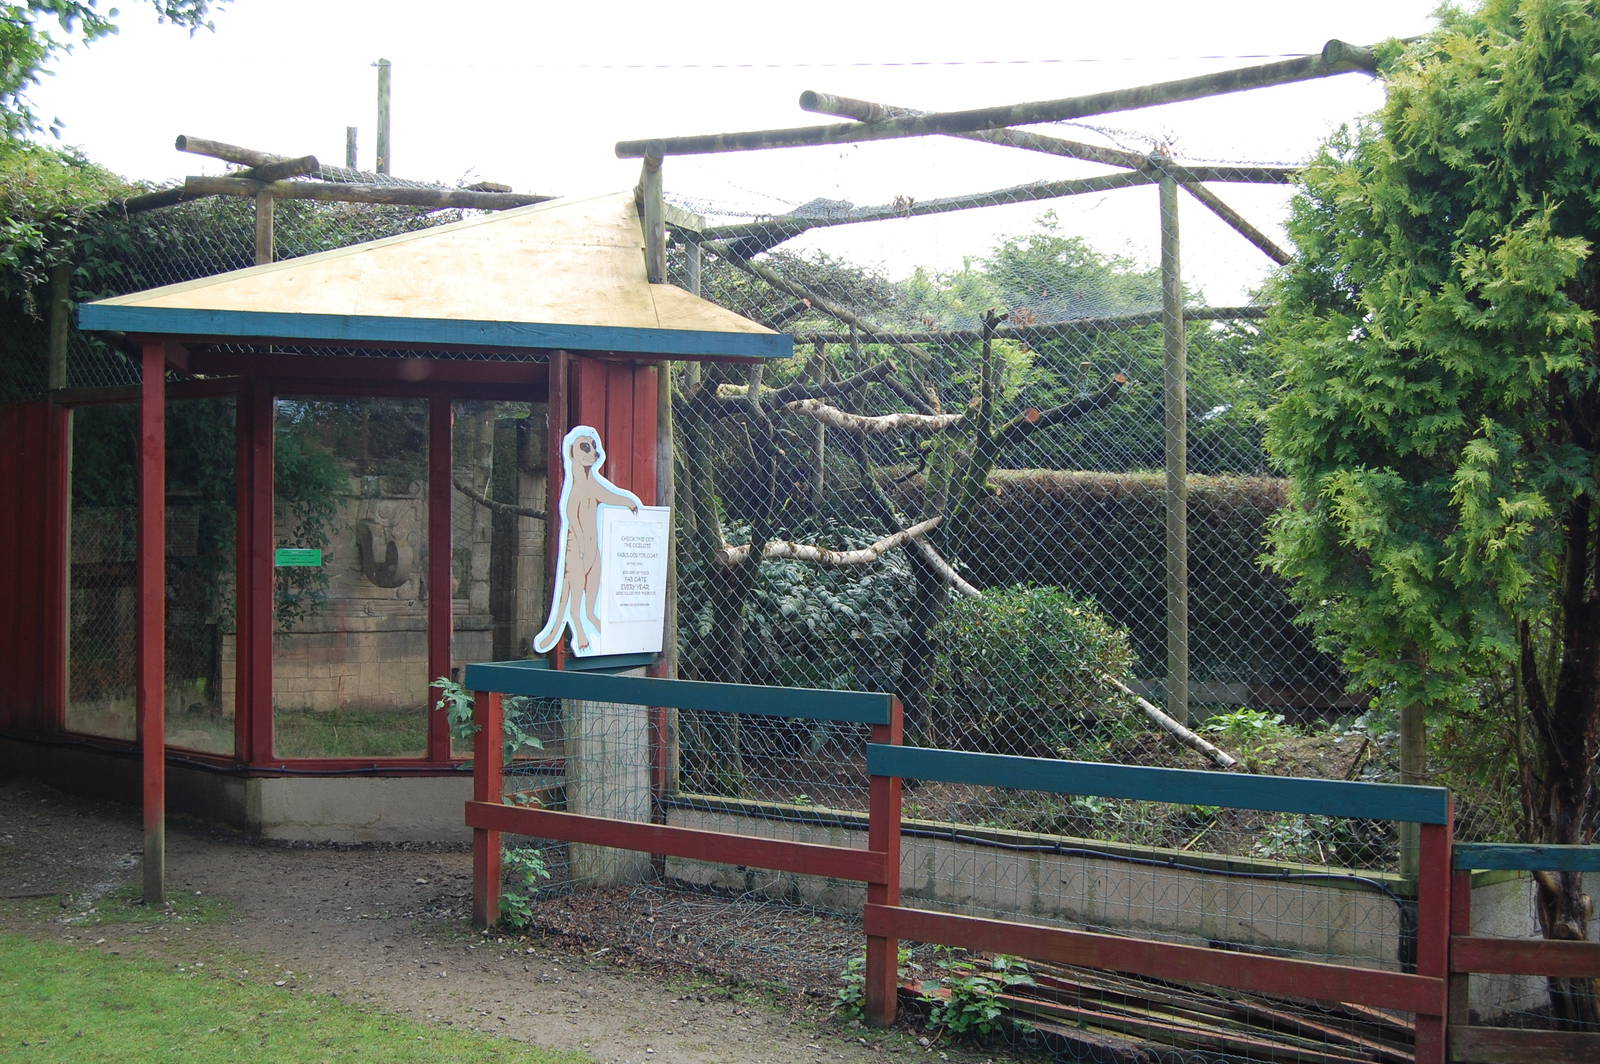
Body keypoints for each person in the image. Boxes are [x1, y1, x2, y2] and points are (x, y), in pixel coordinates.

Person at [532, 426, 640, 654]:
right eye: (585, 447)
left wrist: (628, 502)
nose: (593, 452)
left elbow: (609, 495)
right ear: (573, 453)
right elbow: (571, 516)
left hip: (593, 551)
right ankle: (579, 631)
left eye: (592, 447)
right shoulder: (576, 487)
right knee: (573, 595)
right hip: (577, 550)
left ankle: (593, 621)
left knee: (591, 598)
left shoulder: (592, 484)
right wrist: (581, 545)